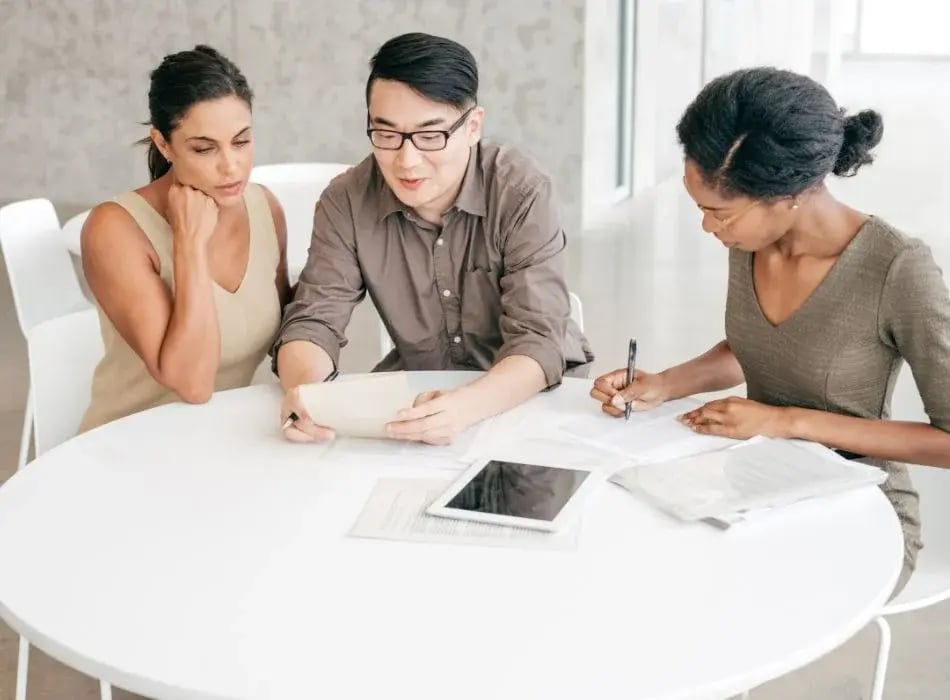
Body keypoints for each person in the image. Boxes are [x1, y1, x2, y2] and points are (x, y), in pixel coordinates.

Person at [590, 67, 950, 591]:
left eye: (721, 213)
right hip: (753, 486)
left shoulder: (899, 267)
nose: (708, 227)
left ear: (789, 195)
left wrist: (785, 421)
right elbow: (755, 346)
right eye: (700, 208)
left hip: (857, 514)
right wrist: (664, 385)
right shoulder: (753, 240)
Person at [276, 32, 593, 446]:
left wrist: (463, 408)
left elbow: (540, 339)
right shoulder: (347, 200)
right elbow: (313, 320)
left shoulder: (520, 192)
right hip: (418, 402)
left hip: (530, 399)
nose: (406, 161)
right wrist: (308, 396)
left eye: (430, 136)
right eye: (386, 134)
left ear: (473, 126)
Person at [79, 45, 290, 432]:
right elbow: (193, 384)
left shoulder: (265, 209)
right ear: (163, 144)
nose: (231, 166)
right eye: (204, 148)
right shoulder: (114, 229)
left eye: (241, 141)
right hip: (126, 451)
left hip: (223, 443)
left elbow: (288, 337)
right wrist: (189, 243)